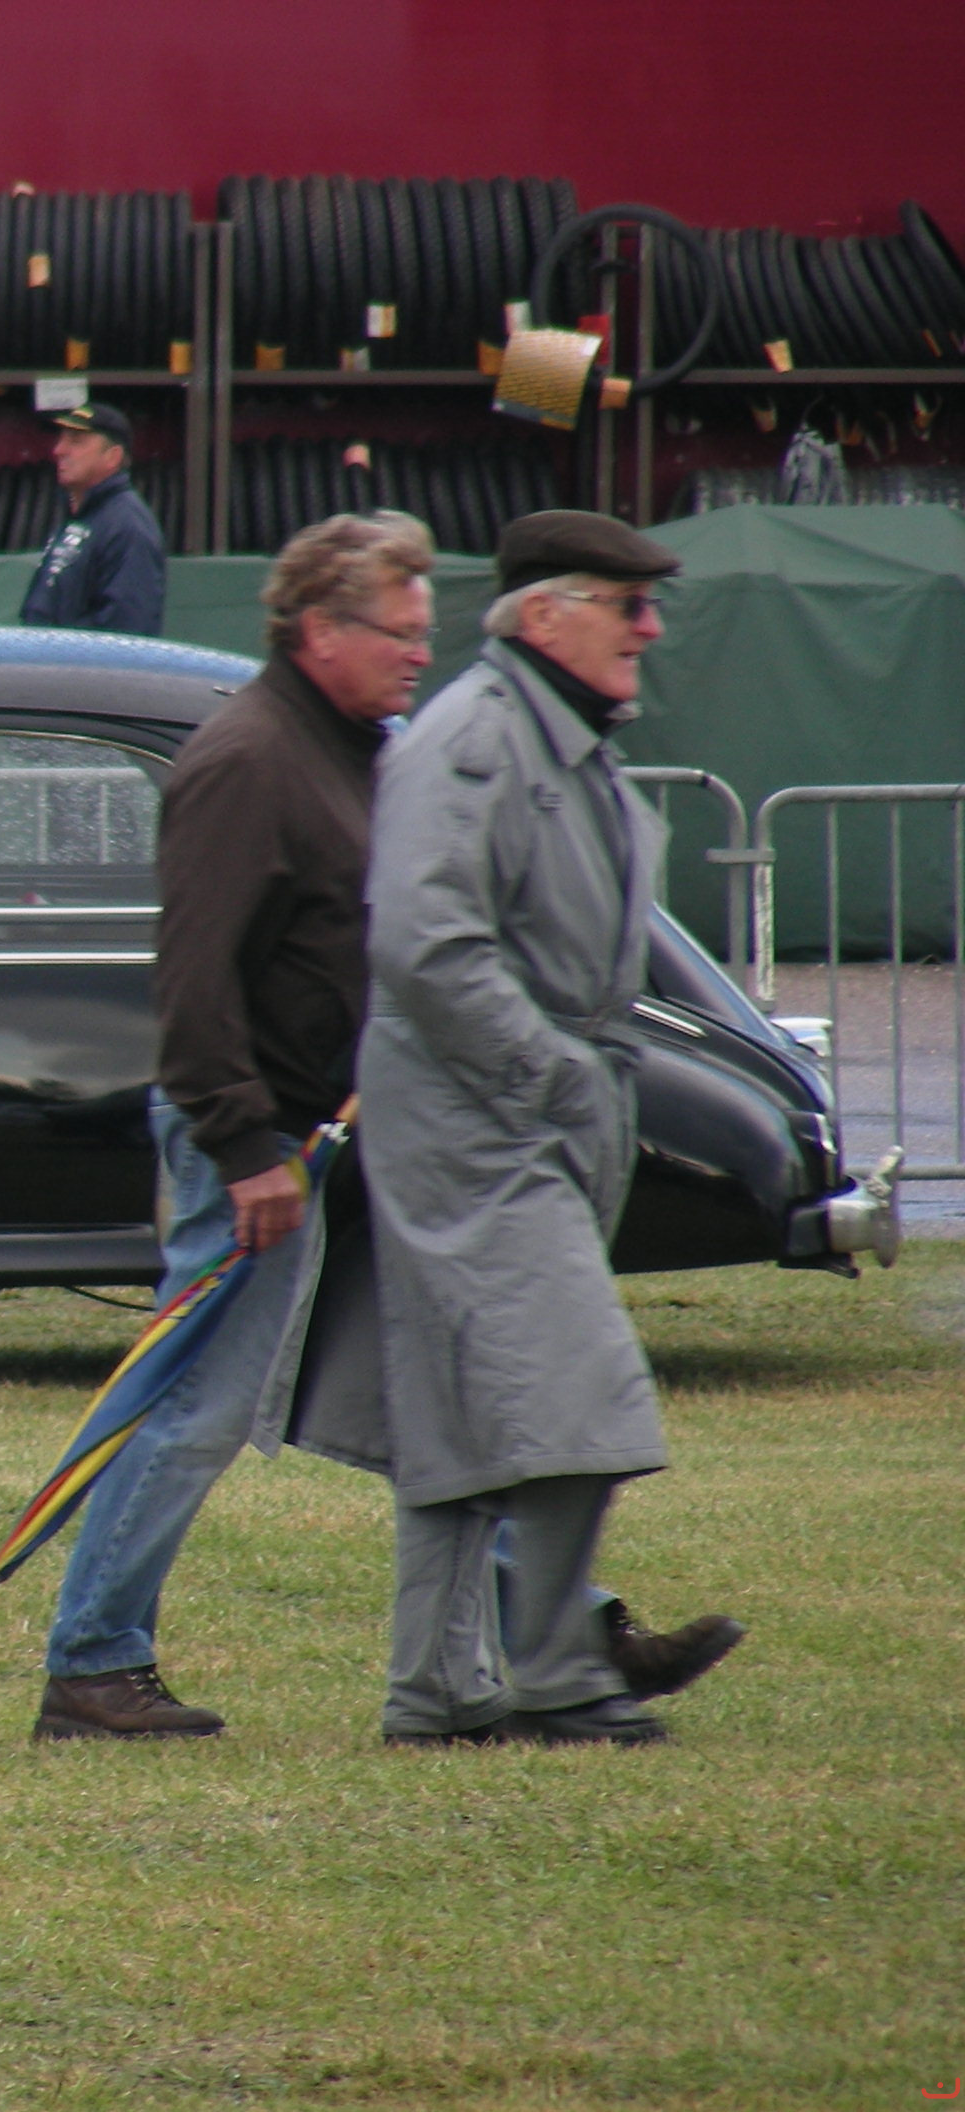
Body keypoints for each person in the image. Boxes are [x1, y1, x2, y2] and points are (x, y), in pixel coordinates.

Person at [33, 513, 743, 1743]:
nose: (420, 653)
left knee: (441, 1385)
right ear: (318, 630)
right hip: (256, 1143)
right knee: (199, 1405)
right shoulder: (248, 760)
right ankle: (92, 1664)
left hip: (346, 1132)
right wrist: (243, 1148)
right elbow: (191, 982)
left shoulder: (362, 749)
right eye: (396, 633)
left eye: (425, 631)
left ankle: (568, 1628)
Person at [359, 511, 714, 1745]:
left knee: (462, 1421)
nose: (648, 630)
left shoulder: (550, 735)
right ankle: (559, 1673)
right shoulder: (473, 740)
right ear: (547, 615)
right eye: (627, 605)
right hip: (477, 1122)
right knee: (579, 1394)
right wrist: (549, 1073)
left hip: (513, 1114)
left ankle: (431, 1695)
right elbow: (422, 940)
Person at [16, 403, 165, 636]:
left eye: (76, 441)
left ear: (112, 457)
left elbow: (127, 634)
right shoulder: (82, 516)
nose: (59, 450)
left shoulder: (128, 526)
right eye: (61, 439)